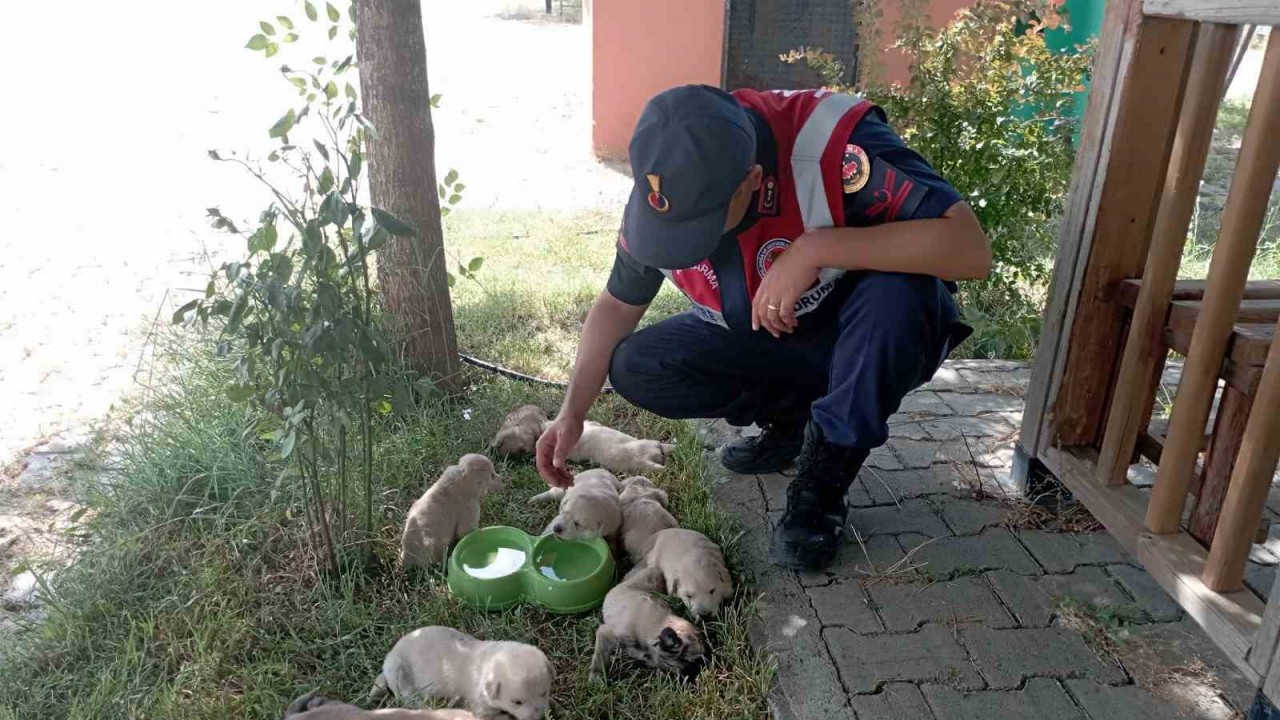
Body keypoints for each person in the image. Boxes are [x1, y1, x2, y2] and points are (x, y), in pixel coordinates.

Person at [535, 84, 991, 570]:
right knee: (636, 365)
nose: (693, 244)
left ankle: (822, 486)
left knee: (901, 296)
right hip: (769, 330)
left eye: (703, 227)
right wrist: (571, 413)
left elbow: (969, 250)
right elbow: (617, 306)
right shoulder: (664, 184)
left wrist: (817, 249)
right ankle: (795, 423)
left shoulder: (833, 145)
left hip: (862, 333)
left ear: (751, 180)